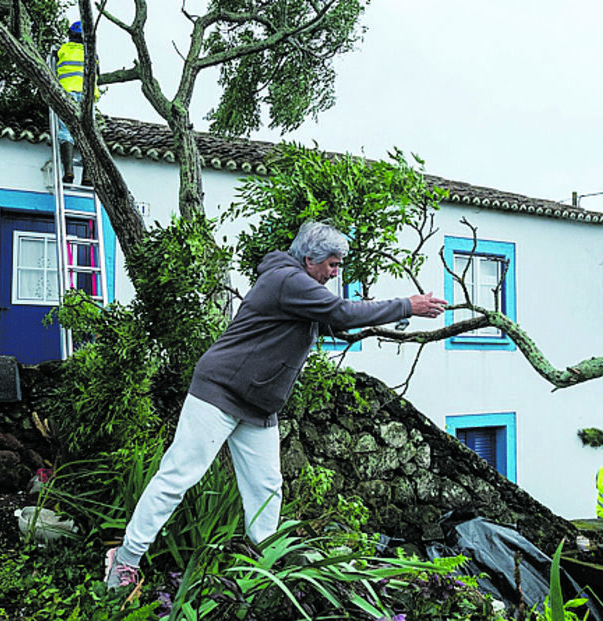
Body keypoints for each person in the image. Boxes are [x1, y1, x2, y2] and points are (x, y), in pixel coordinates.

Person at [104, 221, 448, 588]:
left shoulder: (301, 286)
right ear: (309, 258)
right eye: (332, 265)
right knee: (178, 476)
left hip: (258, 405)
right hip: (219, 391)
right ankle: (124, 559)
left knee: (266, 487)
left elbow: (334, 320)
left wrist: (388, 316)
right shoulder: (288, 280)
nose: (336, 272)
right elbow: (341, 313)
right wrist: (406, 305)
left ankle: (265, 571)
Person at [56, 20, 100, 186]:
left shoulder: (62, 50)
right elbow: (98, 75)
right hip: (87, 97)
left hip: (67, 93)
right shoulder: (92, 54)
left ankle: (68, 170)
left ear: (70, 36)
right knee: (89, 133)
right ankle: (88, 175)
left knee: (66, 131)